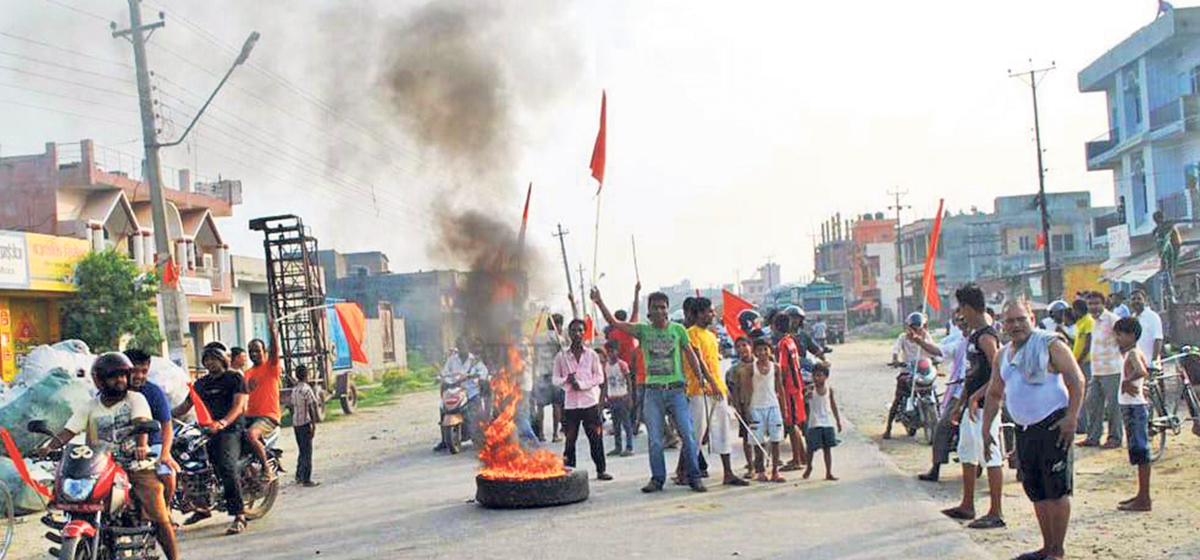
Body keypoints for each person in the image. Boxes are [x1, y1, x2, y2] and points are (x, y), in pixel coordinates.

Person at [41, 353, 179, 560]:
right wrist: (49, 447)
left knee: (158, 513)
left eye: (123, 375)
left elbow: (141, 422)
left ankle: (174, 557)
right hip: (100, 466)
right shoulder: (90, 405)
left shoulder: (136, 398)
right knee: (72, 495)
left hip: (135, 465)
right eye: (114, 376)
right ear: (99, 380)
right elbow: (69, 431)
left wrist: (141, 446)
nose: (120, 380)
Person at [982, 298, 1084, 560]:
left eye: (1021, 319)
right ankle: (1046, 546)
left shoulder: (1051, 344)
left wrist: (1072, 417)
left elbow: (1076, 379)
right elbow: (994, 394)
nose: (1016, 325)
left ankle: (1057, 551)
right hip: (1024, 430)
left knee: (1056, 490)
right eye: (1010, 321)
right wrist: (986, 429)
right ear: (1003, 325)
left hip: (1053, 426)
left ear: (1032, 318)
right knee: (1036, 489)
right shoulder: (1003, 354)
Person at [592, 286, 711, 493]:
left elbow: (690, 353)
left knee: (688, 435)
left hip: (676, 391)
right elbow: (614, 323)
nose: (659, 311)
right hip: (653, 392)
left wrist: (700, 376)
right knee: (655, 440)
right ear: (649, 311)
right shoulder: (643, 330)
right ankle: (657, 478)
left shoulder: (678, 330)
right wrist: (599, 301)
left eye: (663, 307)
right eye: (655, 307)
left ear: (667, 309)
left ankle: (694, 477)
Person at [940, 284, 1005, 530]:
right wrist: (960, 403)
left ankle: (996, 511)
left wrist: (978, 397)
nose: (959, 313)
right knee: (967, 452)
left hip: (987, 405)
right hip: (971, 404)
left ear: (967, 307)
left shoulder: (987, 336)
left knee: (991, 455)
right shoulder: (973, 336)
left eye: (960, 308)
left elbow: (999, 372)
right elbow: (972, 374)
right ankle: (967, 504)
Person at [172, 345, 250, 534]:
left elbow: (239, 405)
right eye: (206, 359)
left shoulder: (235, 378)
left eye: (213, 358)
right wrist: (162, 415)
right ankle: (202, 507)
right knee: (189, 463)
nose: (210, 363)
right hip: (206, 430)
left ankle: (239, 515)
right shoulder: (201, 383)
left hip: (231, 429)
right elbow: (185, 406)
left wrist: (222, 423)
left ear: (223, 359)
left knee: (226, 466)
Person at [681, 297, 748, 487]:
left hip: (717, 390)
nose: (713, 314)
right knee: (697, 432)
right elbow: (698, 361)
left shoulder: (711, 335)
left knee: (723, 429)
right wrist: (712, 382)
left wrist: (720, 386)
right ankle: (689, 474)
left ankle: (728, 473)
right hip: (699, 389)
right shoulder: (690, 333)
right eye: (710, 311)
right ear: (700, 313)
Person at [553, 318, 612, 481]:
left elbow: (599, 377)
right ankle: (569, 472)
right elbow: (555, 379)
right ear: (569, 333)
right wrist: (567, 380)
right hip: (571, 405)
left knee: (596, 438)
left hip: (589, 403)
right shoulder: (561, 356)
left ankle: (601, 470)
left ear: (584, 333)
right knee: (570, 440)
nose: (577, 334)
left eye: (580, 330)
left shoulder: (592, 355)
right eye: (574, 330)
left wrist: (583, 384)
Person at [124, 349, 180, 516]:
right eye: (134, 371)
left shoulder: (153, 392)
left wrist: (165, 453)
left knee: (167, 472)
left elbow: (167, 425)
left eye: (144, 371)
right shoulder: (113, 391)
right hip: (120, 443)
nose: (139, 376)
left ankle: (166, 510)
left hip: (152, 443)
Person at [916, 311, 968, 482]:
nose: (962, 324)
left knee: (1012, 421)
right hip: (961, 392)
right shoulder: (960, 342)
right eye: (960, 321)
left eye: (964, 320)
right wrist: (919, 341)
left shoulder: (987, 339)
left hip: (984, 391)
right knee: (943, 427)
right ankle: (936, 467)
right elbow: (940, 350)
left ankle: (1015, 463)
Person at [1113, 317, 1153, 512]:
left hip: (1134, 407)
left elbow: (1141, 371)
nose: (1117, 338)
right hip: (1132, 406)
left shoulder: (1132, 354)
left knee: (1141, 451)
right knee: (1138, 452)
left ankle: (1144, 498)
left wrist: (1127, 381)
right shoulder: (1130, 352)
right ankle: (1141, 494)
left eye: (1119, 334)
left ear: (1130, 335)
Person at [1081, 291, 1124, 449]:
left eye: (1096, 303)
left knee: (1113, 407)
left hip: (1112, 369)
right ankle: (1093, 437)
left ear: (1103, 304)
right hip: (1097, 370)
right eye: (1090, 304)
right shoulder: (1093, 322)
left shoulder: (1113, 320)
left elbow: (1124, 341)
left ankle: (1115, 438)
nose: (1093, 307)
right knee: (1092, 403)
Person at [886, 312, 938, 440]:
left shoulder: (925, 336)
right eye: (913, 326)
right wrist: (895, 359)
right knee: (898, 397)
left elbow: (933, 349)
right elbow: (895, 349)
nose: (915, 329)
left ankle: (938, 413)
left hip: (923, 370)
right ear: (908, 326)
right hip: (907, 371)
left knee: (934, 389)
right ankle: (888, 428)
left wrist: (936, 359)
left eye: (918, 326)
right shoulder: (903, 337)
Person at [435, 337, 489, 452]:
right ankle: (445, 440)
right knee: (443, 409)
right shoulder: (452, 360)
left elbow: (483, 372)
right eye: (459, 346)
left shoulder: (474, 360)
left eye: (463, 345)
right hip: (455, 390)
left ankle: (478, 438)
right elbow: (445, 372)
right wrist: (441, 378)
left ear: (467, 347)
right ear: (457, 347)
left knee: (476, 414)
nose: (461, 348)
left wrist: (478, 376)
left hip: (471, 392)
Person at [745, 337, 787, 482]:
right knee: (758, 441)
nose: (762, 352)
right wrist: (747, 409)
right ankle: (761, 471)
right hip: (756, 407)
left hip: (773, 406)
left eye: (765, 349)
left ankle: (775, 471)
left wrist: (784, 408)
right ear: (754, 352)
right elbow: (747, 390)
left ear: (770, 350)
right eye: (759, 350)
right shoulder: (751, 368)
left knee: (776, 439)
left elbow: (780, 388)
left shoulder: (776, 367)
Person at [244, 325, 281, 482]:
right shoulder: (247, 374)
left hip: (268, 416)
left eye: (257, 350)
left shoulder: (271, 367)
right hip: (250, 416)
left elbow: (275, 351)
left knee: (251, 435)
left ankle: (266, 468)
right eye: (251, 351)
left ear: (264, 352)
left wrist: (272, 332)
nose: (254, 354)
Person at [774, 312, 809, 470]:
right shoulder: (791, 341)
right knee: (795, 423)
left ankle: (797, 460)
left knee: (791, 423)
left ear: (776, 326)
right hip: (797, 386)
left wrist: (778, 388)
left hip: (789, 388)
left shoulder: (782, 344)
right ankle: (802, 457)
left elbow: (782, 368)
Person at [803, 363, 841, 481]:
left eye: (820, 375)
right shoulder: (810, 389)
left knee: (827, 448)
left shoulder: (829, 390)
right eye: (814, 375)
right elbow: (804, 400)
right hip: (814, 422)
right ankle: (809, 466)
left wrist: (838, 420)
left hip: (827, 421)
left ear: (826, 377)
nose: (817, 378)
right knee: (811, 448)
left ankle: (828, 472)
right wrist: (806, 396)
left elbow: (833, 405)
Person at [533, 314, 567, 442]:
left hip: (541, 374)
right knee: (556, 405)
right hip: (554, 374)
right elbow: (563, 355)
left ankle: (541, 435)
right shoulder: (559, 339)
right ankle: (555, 435)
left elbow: (535, 357)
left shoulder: (538, 338)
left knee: (540, 406)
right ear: (558, 325)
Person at [726, 337, 756, 477]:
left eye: (744, 345)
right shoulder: (734, 370)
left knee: (761, 436)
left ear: (751, 346)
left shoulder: (761, 364)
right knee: (747, 437)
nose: (742, 349)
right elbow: (733, 391)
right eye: (738, 346)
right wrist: (737, 409)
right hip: (745, 406)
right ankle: (751, 466)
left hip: (762, 404)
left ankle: (760, 465)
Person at [603, 339, 634, 457]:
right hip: (612, 399)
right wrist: (606, 397)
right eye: (609, 352)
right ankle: (618, 447)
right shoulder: (606, 366)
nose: (611, 354)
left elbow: (628, 381)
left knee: (626, 424)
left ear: (617, 351)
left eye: (612, 351)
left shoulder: (622, 364)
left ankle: (629, 447)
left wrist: (629, 397)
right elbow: (606, 383)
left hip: (622, 397)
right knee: (615, 425)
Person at [290, 365, 321, 487]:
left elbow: (293, 407)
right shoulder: (307, 389)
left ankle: (299, 475)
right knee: (307, 452)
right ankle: (306, 479)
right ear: (306, 375)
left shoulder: (295, 390)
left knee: (301, 450)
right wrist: (313, 424)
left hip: (296, 424)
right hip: (305, 423)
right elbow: (311, 407)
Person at [1070, 299, 1094, 434]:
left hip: (1085, 363)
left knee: (1084, 395)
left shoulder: (1088, 321)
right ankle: (1082, 424)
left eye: (1074, 309)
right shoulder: (1080, 323)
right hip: (1079, 362)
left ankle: (1084, 425)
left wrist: (1079, 360)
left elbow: (1088, 344)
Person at [1130, 290, 1164, 367]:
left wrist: (1153, 361)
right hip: (1136, 364)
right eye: (1133, 299)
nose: (1136, 301)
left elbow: (1158, 339)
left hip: (1150, 364)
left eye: (1139, 299)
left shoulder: (1152, 316)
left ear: (1145, 300)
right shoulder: (1132, 318)